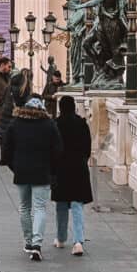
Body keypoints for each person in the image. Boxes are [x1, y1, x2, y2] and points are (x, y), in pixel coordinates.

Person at [0, 94, 63, 261]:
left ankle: (28, 242)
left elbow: (6, 149)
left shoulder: (16, 124)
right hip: (42, 171)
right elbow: (57, 150)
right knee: (40, 207)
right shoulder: (49, 124)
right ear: (41, 108)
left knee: (24, 207)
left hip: (21, 170)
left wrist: (14, 166)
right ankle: (37, 244)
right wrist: (53, 171)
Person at [51, 95, 93, 256]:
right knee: (77, 205)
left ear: (60, 108)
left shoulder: (55, 124)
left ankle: (61, 239)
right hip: (78, 168)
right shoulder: (81, 124)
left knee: (61, 205)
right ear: (74, 107)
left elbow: (52, 149)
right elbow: (87, 148)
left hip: (61, 169)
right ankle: (78, 242)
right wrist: (82, 160)